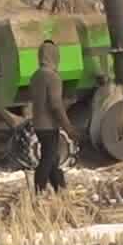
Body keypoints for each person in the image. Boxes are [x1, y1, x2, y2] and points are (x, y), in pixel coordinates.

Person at [28, 39, 81, 194]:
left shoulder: (35, 76)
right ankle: (39, 191)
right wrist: (68, 127)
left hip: (38, 124)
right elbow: (56, 105)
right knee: (48, 159)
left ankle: (60, 189)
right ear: (55, 56)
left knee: (52, 159)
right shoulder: (52, 77)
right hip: (49, 125)